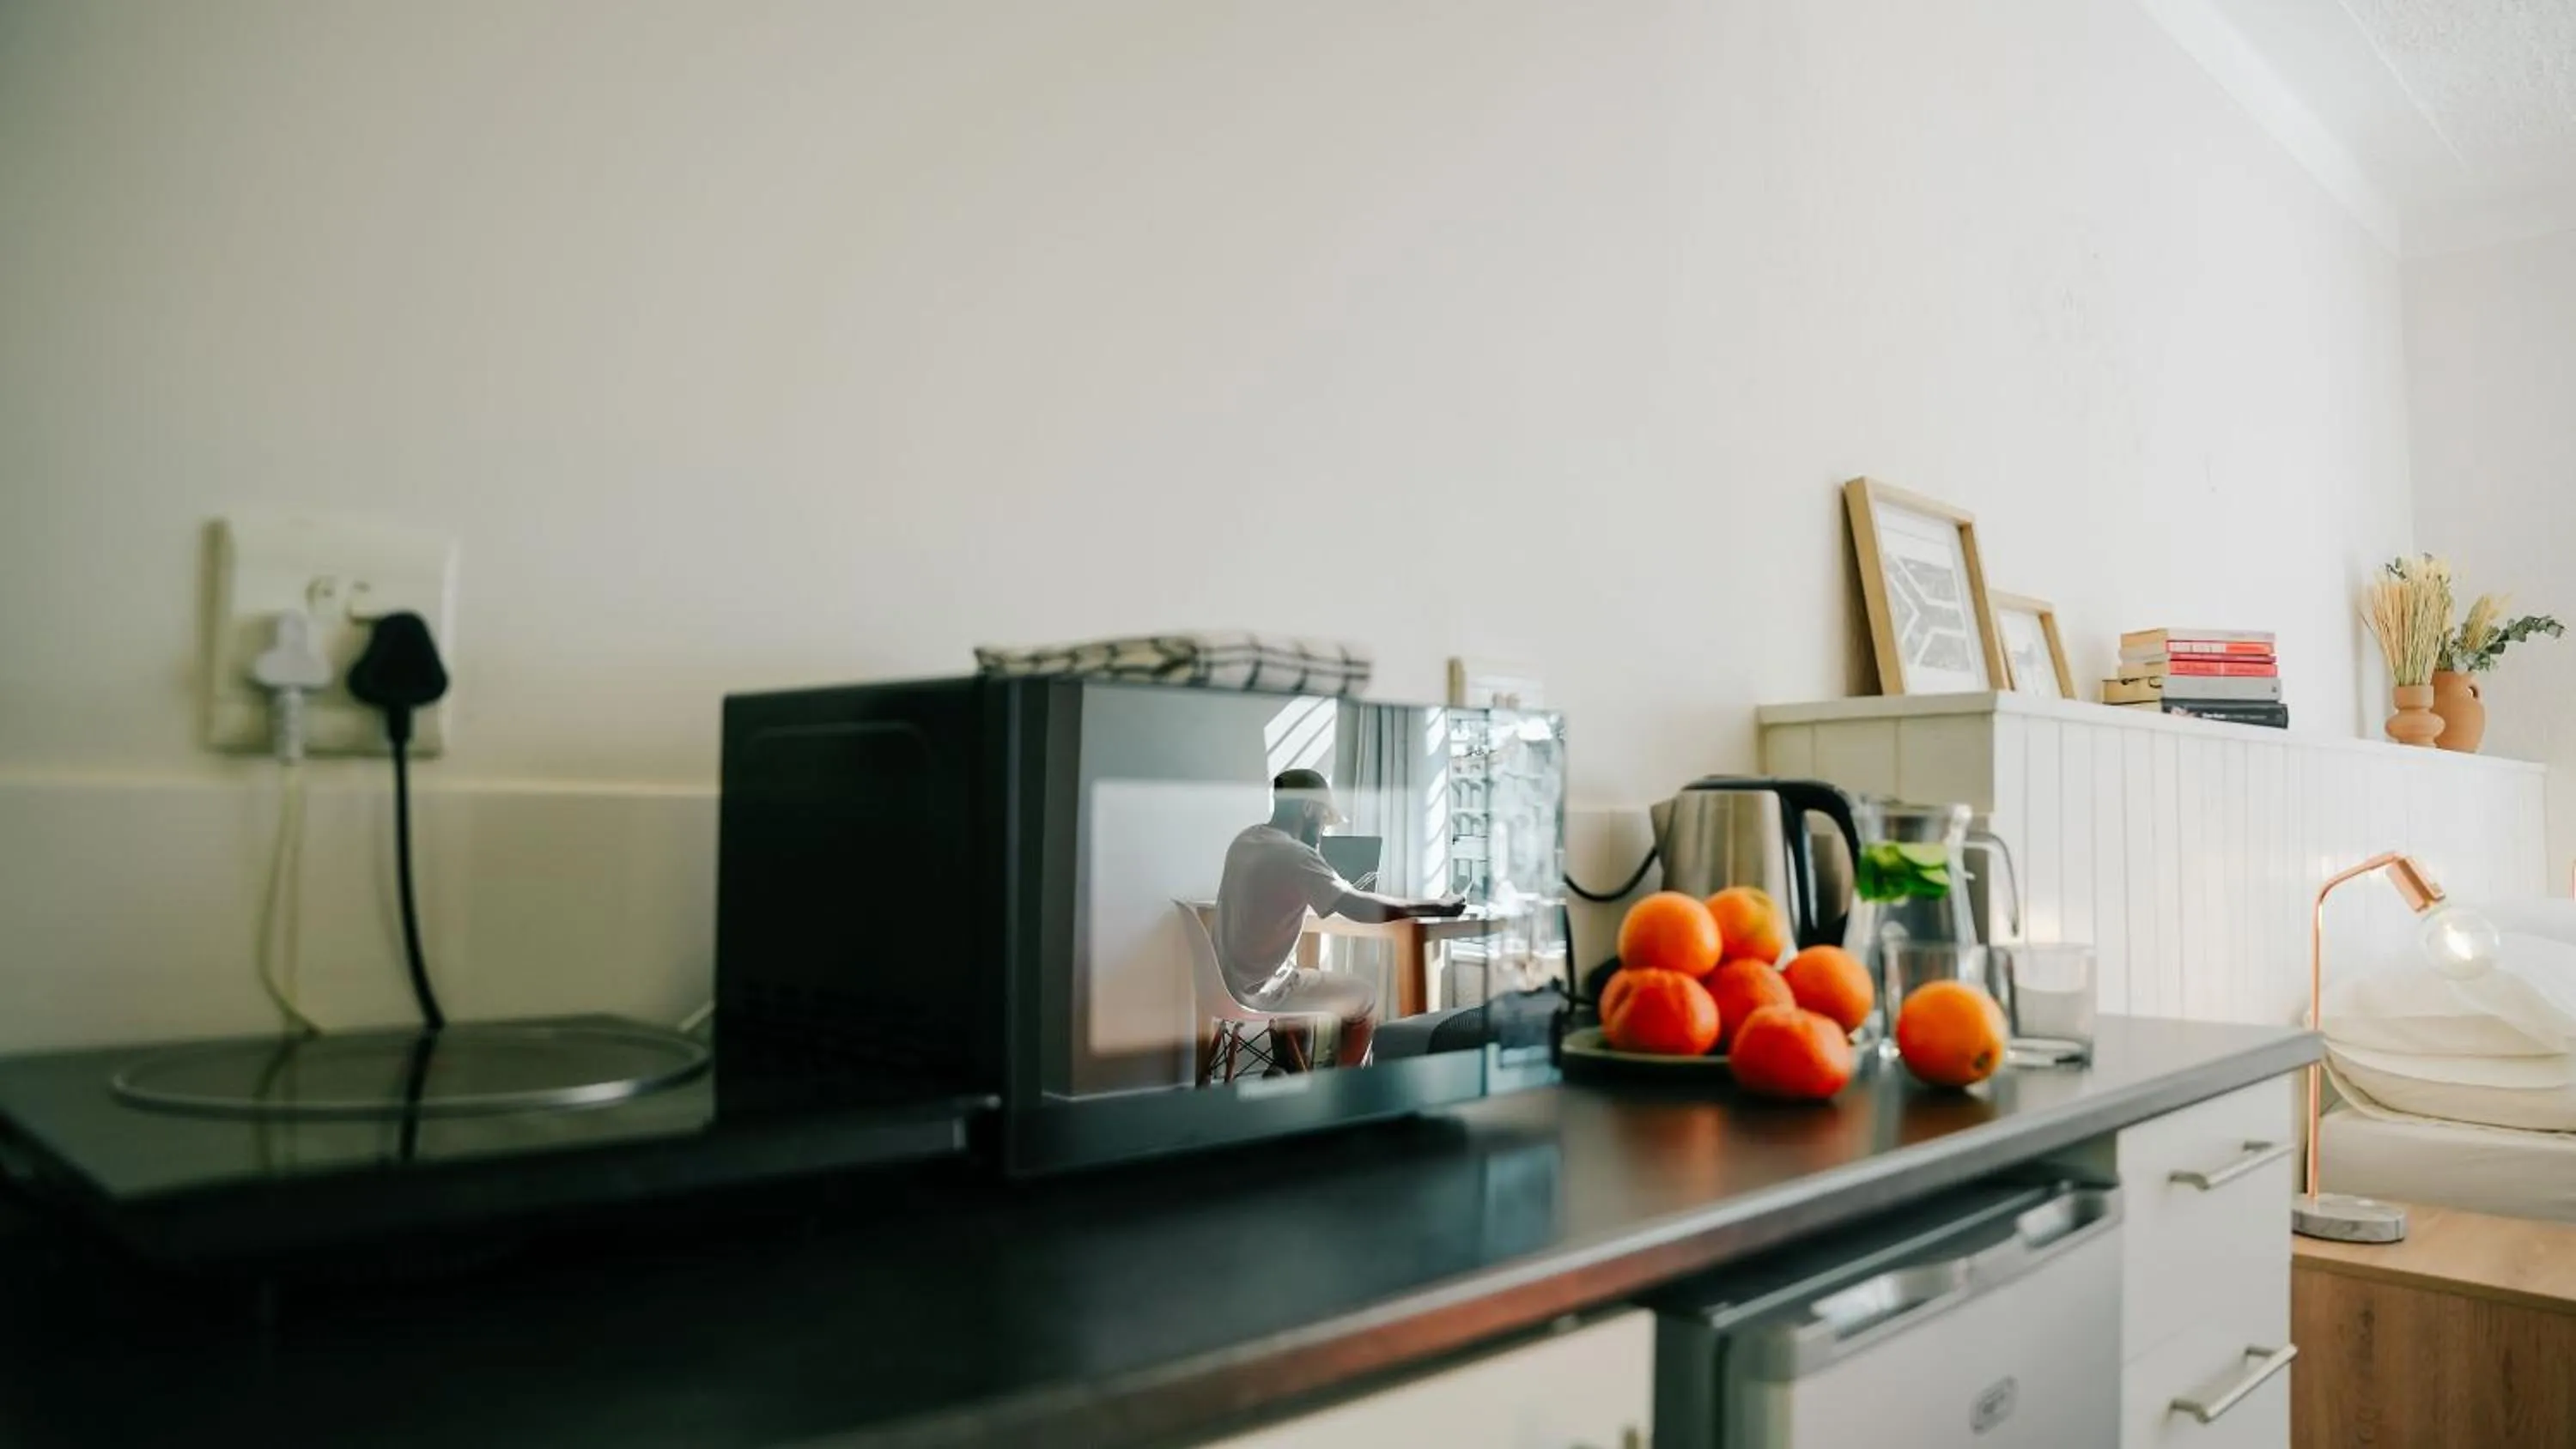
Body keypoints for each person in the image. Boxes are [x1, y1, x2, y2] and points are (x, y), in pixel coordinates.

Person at [1213, 768, 1466, 1069]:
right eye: (1323, 818)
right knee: (1365, 996)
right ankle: (1346, 1088)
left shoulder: (1247, 839)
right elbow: (1359, 908)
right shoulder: (1295, 855)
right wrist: (1436, 906)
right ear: (1308, 808)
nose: (1323, 829)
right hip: (1260, 990)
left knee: (1299, 977)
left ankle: (1288, 1070)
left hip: (1220, 984)